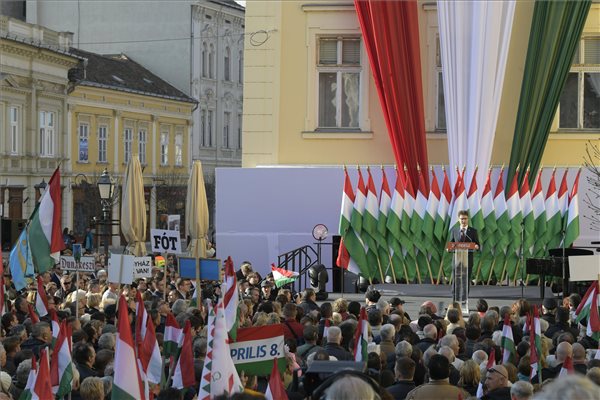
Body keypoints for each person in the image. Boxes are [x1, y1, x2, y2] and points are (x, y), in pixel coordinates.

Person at [449, 210, 480, 301]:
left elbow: (477, 245)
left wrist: (476, 246)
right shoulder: (454, 230)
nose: (463, 221)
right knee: (456, 280)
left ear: (468, 219)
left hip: (468, 260)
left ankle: (464, 300)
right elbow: (451, 243)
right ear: (458, 219)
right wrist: (449, 248)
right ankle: (454, 300)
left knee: (466, 281)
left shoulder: (473, 231)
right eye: (462, 219)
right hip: (456, 260)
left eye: (465, 219)